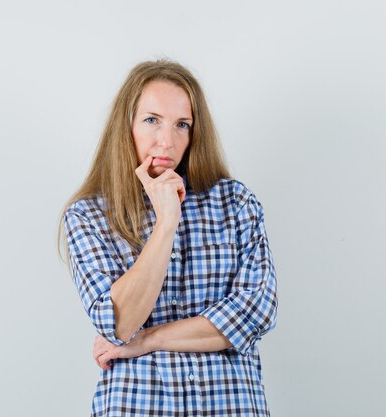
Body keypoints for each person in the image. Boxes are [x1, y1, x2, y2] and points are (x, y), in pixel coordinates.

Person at [58, 59, 278, 417]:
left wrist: (148, 339)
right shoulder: (89, 216)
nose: (167, 140)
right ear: (125, 126)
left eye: (182, 125)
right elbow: (118, 323)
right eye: (151, 120)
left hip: (230, 406)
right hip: (137, 406)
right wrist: (166, 223)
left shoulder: (236, 204)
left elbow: (254, 314)